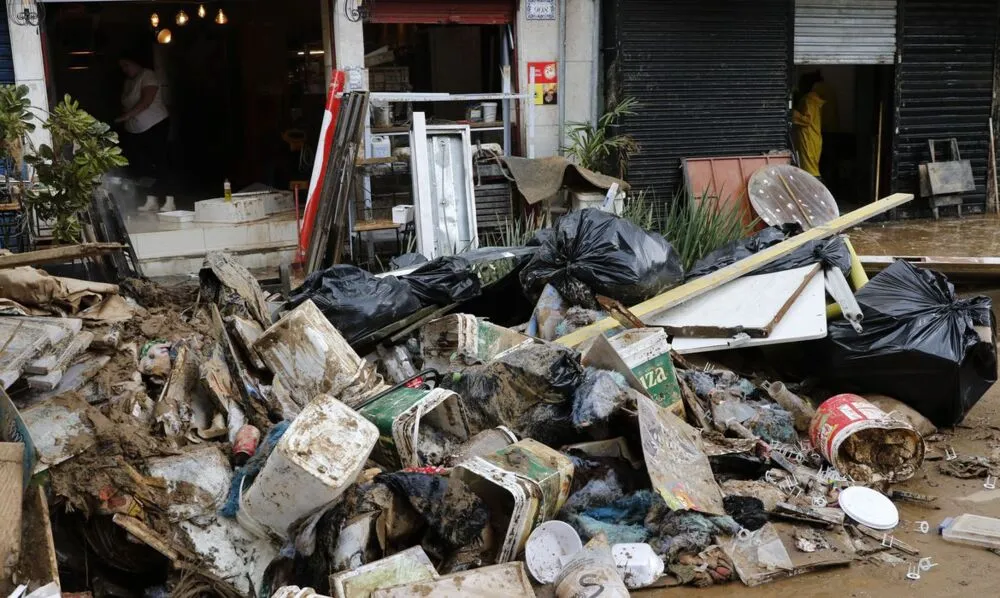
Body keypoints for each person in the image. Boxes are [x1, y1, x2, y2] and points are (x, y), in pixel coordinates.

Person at [116, 54, 171, 211]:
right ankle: (151, 199)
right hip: (135, 129)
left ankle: (168, 199)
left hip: (155, 125)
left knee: (160, 162)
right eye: (122, 67)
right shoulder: (128, 82)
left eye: (126, 65)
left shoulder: (148, 75)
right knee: (143, 165)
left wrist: (126, 116)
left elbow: (146, 101)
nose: (124, 69)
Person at [792, 71, 826, 179]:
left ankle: (817, 189)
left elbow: (807, 120)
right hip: (812, 138)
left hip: (808, 139)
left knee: (809, 169)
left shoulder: (808, 100)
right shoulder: (813, 100)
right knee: (810, 166)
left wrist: (792, 112)